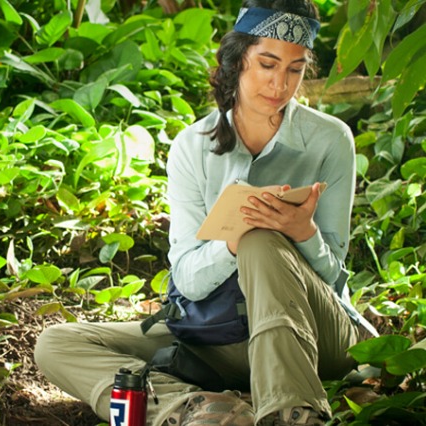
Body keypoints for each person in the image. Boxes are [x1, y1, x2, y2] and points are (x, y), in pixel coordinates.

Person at [34, 0, 378, 424]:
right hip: (216, 336)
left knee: (262, 238)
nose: (280, 83)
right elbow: (189, 281)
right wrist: (228, 244)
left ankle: (292, 411)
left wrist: (302, 232)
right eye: (267, 64)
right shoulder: (192, 146)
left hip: (315, 341)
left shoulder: (330, 141)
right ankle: (198, 411)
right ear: (237, 62)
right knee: (57, 343)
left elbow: (336, 277)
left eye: (295, 69)